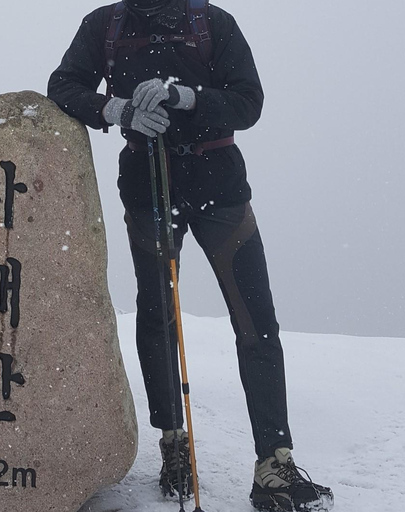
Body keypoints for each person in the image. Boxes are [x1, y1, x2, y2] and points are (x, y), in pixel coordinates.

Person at [47, 1, 332, 510]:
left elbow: (248, 102)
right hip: (149, 184)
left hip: (218, 187)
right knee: (158, 314)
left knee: (255, 321)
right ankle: (174, 442)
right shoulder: (105, 24)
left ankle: (274, 460)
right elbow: (63, 85)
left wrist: (185, 97)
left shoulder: (211, 22)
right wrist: (117, 110)